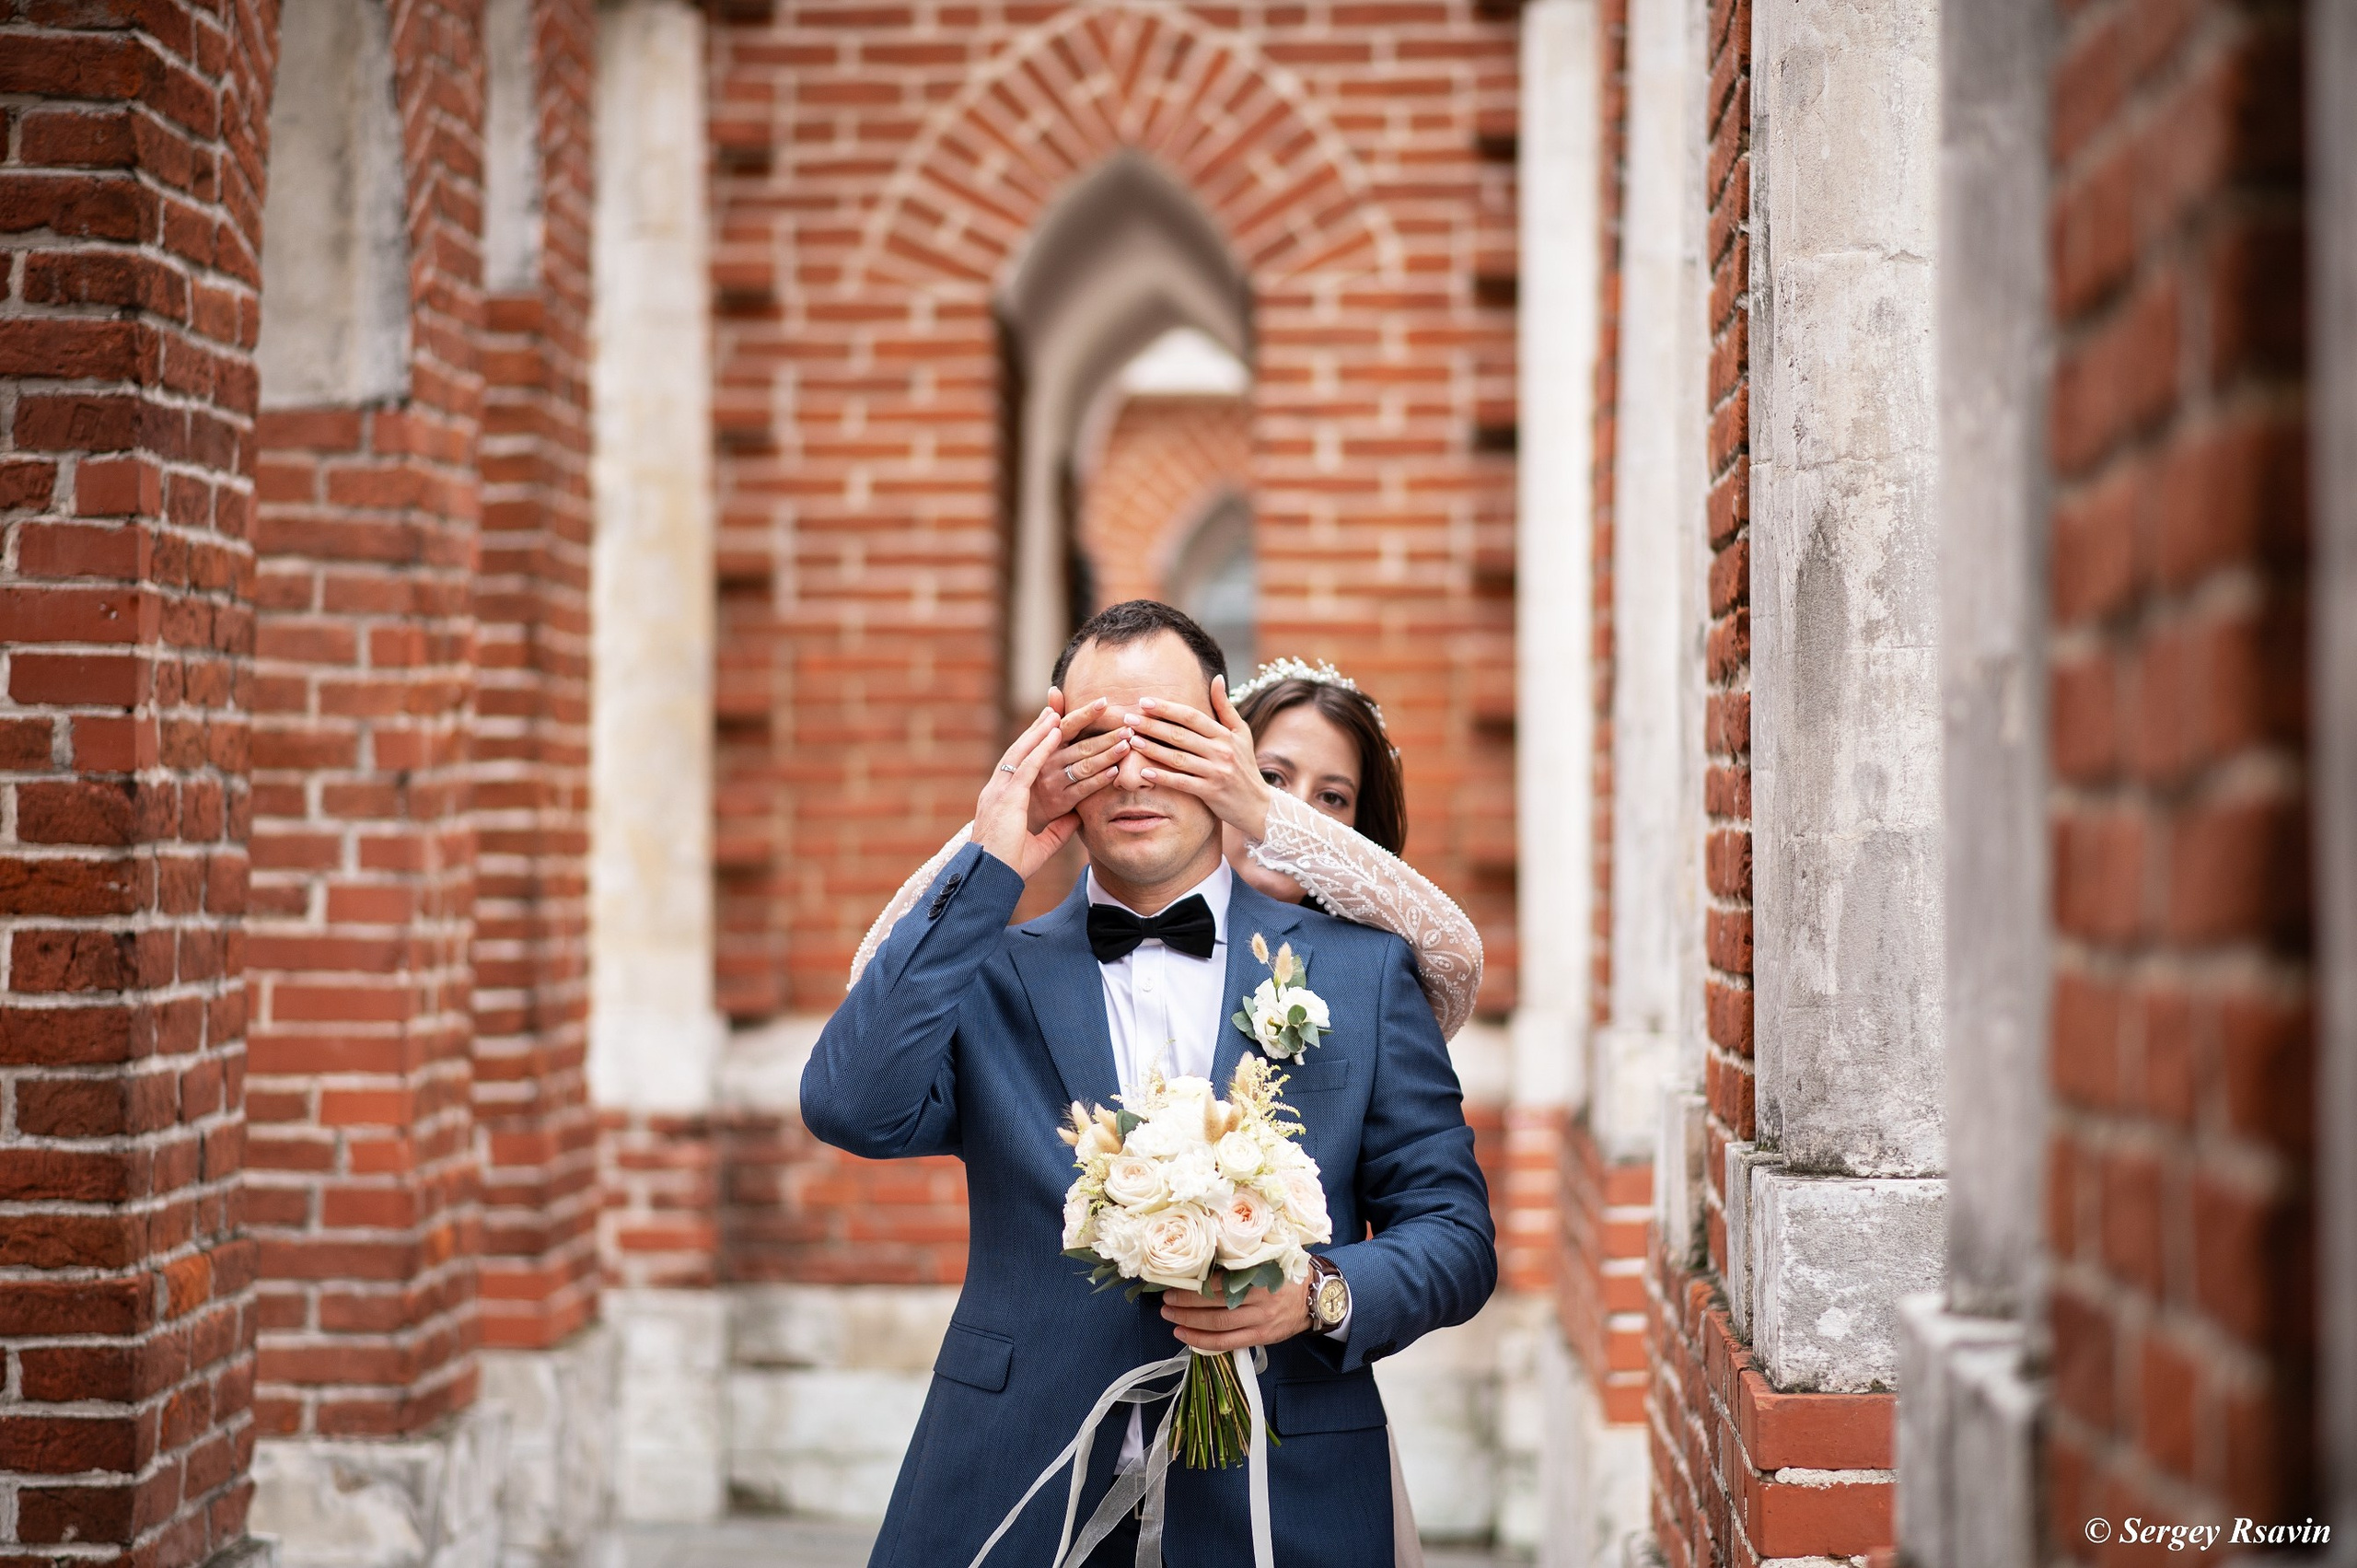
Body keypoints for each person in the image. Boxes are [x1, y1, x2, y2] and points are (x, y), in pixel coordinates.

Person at [802, 600, 1496, 1565]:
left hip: (1282, 1489)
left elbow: (1455, 1235)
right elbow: (848, 1101)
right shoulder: (982, 971)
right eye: (1095, 741)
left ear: (1222, 739)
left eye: (1164, 736)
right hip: (1014, 1480)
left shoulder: (1363, 972)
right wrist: (994, 850)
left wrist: (1319, 1291)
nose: (1131, 771)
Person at [850, 662, 1484, 1040]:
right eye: (1270, 779)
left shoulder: (1367, 976)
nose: (1298, 811)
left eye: (1333, 798)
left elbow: (1456, 957)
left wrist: (1262, 812)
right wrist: (998, 831)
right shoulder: (1026, 967)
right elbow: (870, 991)